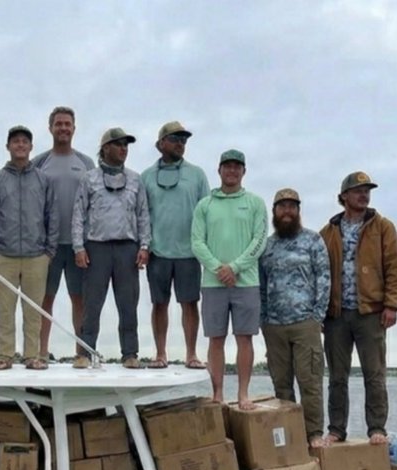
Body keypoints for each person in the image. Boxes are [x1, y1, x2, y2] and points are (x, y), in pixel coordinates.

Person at [318, 171, 397, 445]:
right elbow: (318, 273)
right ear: (343, 197)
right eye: (358, 190)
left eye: (367, 190)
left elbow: (395, 267)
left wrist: (392, 305)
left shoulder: (383, 227)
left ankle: (377, 429)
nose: (364, 195)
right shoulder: (327, 231)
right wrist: (319, 311)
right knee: (337, 377)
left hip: (371, 313)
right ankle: (336, 429)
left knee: (375, 374)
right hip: (336, 315)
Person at [190, 150, 267, 409]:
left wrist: (234, 267)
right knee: (216, 339)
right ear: (219, 170)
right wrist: (217, 268)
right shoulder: (205, 205)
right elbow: (197, 242)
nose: (232, 171)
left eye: (237, 167)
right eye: (227, 166)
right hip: (213, 284)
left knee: (245, 338)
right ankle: (218, 393)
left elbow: (259, 241)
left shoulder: (255, 203)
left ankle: (244, 393)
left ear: (244, 171)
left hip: (246, 282)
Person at [71, 127, 151, 369]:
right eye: (118, 144)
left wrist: (145, 245)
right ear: (105, 148)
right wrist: (78, 247)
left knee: (128, 304)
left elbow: (143, 215)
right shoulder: (89, 178)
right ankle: (84, 352)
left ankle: (129, 353)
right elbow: (78, 214)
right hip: (97, 247)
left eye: (126, 145)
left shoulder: (136, 179)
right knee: (92, 303)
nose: (123, 149)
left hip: (128, 248)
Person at [0, 125, 59, 370]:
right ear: (8, 147)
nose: (20, 145)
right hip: (4, 255)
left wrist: (49, 252)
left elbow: (52, 216)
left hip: (37, 256)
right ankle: (4, 356)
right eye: (16, 142)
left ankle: (32, 356)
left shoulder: (43, 180)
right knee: (5, 311)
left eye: (25, 141)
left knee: (33, 311)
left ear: (31, 146)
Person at [259, 188, 331, 446]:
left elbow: (324, 278)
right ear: (274, 212)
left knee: (310, 381)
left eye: (292, 206)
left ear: (298, 211)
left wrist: (317, 315)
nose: (287, 211)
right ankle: (288, 436)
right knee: (282, 385)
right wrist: (263, 318)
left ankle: (313, 434)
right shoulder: (265, 246)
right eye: (282, 206)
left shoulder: (313, 241)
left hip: (305, 324)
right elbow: (261, 284)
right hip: (274, 326)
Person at [140, 121, 210, 369]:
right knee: (159, 303)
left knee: (190, 303)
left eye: (184, 140)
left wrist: (205, 249)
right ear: (160, 144)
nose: (180, 143)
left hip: (189, 252)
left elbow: (206, 213)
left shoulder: (197, 174)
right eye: (175, 139)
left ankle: (192, 354)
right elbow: (142, 215)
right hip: (158, 251)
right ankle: (160, 354)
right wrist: (144, 246)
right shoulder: (146, 176)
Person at [32, 107, 94, 362]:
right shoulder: (39, 163)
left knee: (79, 299)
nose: (63, 128)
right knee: (45, 298)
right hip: (49, 245)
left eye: (67, 124)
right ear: (50, 128)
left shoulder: (86, 164)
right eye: (58, 124)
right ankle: (41, 352)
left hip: (79, 246)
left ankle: (81, 352)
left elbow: (94, 202)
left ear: (74, 128)